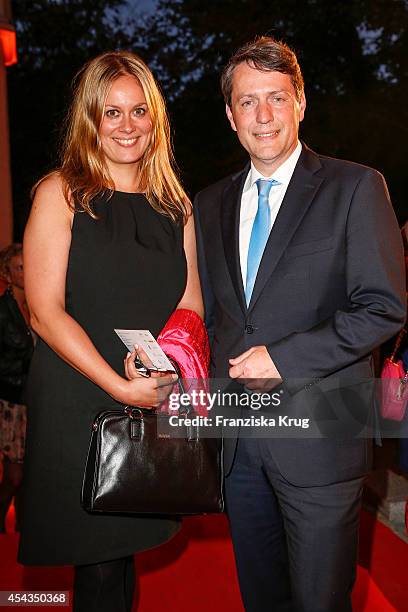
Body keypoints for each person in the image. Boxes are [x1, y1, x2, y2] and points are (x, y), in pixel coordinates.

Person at [194, 37, 406, 611]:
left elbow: (383, 307)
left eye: (277, 98)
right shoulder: (207, 204)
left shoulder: (356, 188)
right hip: (236, 445)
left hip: (321, 438)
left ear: (301, 103)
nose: (263, 116)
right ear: (230, 115)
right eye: (247, 101)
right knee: (261, 600)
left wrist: (284, 358)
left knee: (319, 602)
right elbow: (208, 317)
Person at [18, 51, 203, 612]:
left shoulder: (177, 206)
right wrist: (117, 385)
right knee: (97, 565)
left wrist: (164, 363)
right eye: (111, 112)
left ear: (156, 118)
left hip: (147, 397)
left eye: (139, 111)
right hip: (77, 398)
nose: (127, 126)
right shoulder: (61, 194)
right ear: (89, 119)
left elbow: (190, 302)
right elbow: (44, 311)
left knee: (122, 558)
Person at [0, 244, 34, 533]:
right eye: (19, 267)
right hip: (11, 402)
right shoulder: (2, 312)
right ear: (7, 274)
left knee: (29, 473)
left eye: (28, 265)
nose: (26, 272)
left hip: (35, 398)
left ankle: (24, 528)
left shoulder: (37, 305)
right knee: (14, 475)